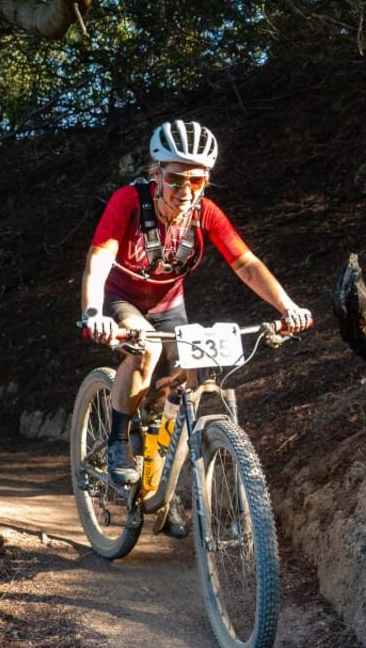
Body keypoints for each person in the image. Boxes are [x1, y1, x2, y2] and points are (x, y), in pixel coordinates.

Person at [81, 119, 311, 485]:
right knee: (146, 351)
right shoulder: (128, 202)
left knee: (194, 372)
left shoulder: (206, 214)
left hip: (169, 305)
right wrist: (94, 312)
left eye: (197, 181)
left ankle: (161, 467)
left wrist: (288, 308)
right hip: (121, 299)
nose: (185, 190)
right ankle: (118, 441)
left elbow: (247, 266)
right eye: (175, 179)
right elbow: (99, 260)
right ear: (156, 173)